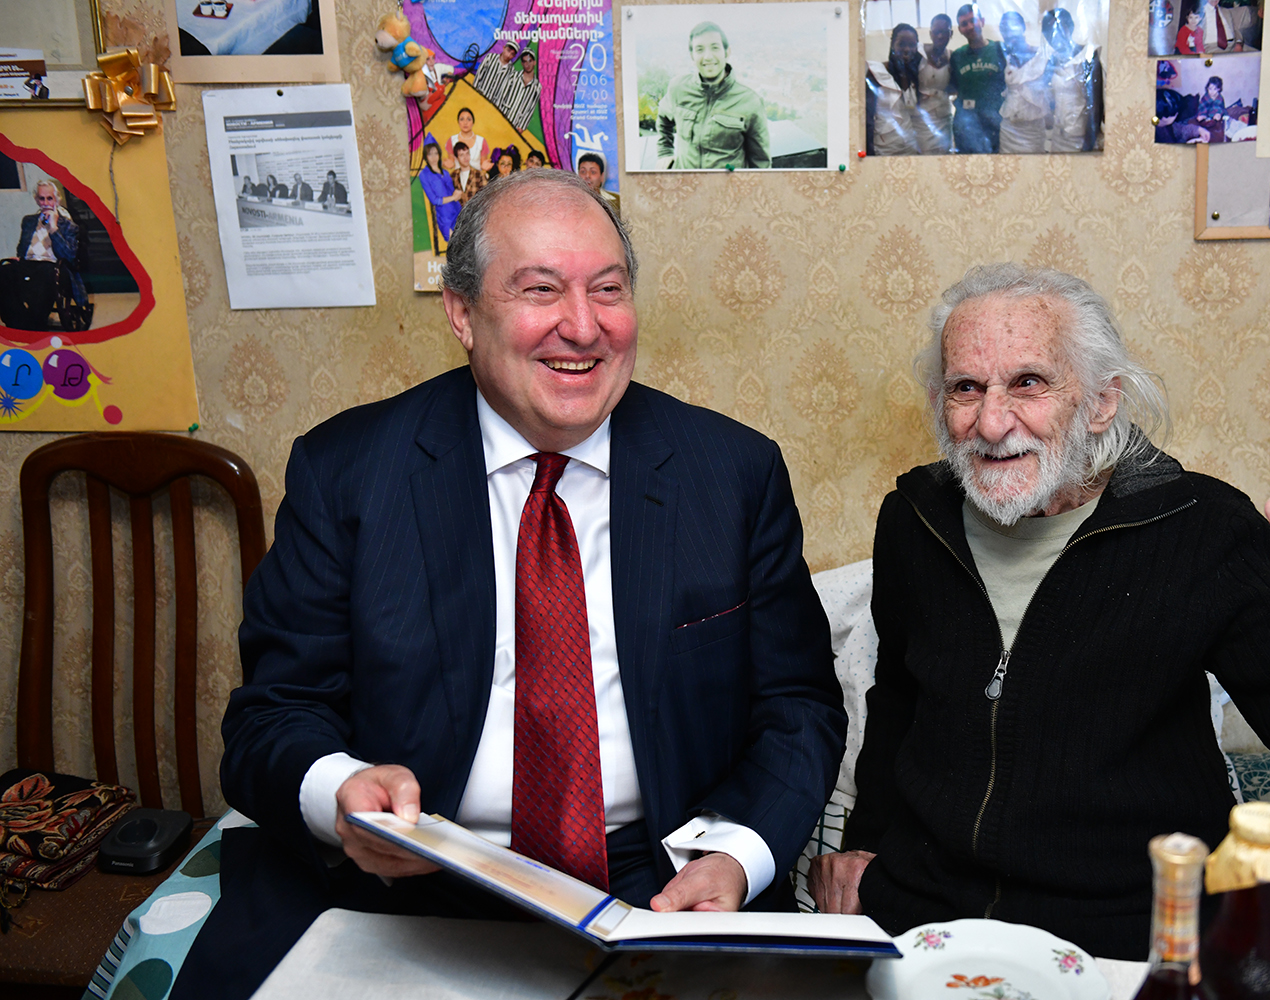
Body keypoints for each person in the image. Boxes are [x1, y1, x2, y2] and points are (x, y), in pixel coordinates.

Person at [177, 169, 846, 998]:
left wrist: (737, 856)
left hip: (659, 882)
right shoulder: (347, 473)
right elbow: (273, 716)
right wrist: (340, 792)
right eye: (540, 290)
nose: (583, 326)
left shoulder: (732, 473)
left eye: (609, 289)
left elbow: (798, 707)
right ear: (462, 313)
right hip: (411, 879)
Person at [809, 263, 1270, 960]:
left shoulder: (1205, 531)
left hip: (1132, 936)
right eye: (965, 388)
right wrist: (863, 843)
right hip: (927, 919)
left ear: (1101, 402)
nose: (991, 423)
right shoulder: (914, 519)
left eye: (1028, 383)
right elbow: (899, 702)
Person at [656, 22, 771, 169]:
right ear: (692, 55)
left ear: (727, 52)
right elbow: (664, 119)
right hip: (684, 181)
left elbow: (761, 164)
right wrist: (665, 152)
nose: (708, 57)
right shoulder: (678, 88)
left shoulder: (750, 101)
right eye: (700, 49)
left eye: (715, 48)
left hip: (726, 184)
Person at [13, 179, 86, 310]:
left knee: (45, 273)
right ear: (36, 200)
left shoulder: (68, 225)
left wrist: (53, 228)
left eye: (50, 198)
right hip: (29, 264)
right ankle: (17, 318)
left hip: (55, 267)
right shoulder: (28, 221)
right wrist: (19, 257)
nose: (45, 203)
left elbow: (69, 257)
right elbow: (21, 247)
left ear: (57, 200)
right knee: (5, 272)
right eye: (42, 199)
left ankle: (36, 318)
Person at [1041, 9, 1103, 153]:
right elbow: (1046, 94)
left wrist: (1088, 145)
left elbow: (1095, 106)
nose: (1052, 37)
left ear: (1069, 27)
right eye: (1048, 33)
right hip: (1058, 135)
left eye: (1056, 30)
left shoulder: (1088, 57)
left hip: (1080, 139)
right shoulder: (1053, 60)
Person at [950, 4, 1005, 154]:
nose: (969, 26)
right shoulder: (957, 56)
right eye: (964, 24)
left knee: (996, 166)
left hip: (995, 124)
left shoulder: (999, 50)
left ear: (982, 21)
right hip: (966, 126)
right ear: (960, 29)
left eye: (973, 20)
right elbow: (953, 86)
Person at [866, 24, 924, 157]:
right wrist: (869, 155)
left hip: (911, 151)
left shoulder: (916, 76)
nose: (907, 49)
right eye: (901, 44)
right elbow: (867, 119)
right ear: (892, 45)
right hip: (884, 152)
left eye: (912, 45)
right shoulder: (877, 73)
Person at [998, 12, 1047, 154]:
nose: (1009, 32)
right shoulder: (1004, 59)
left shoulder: (1042, 57)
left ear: (1023, 27)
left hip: (1033, 130)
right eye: (1004, 28)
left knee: (1033, 165)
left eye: (1013, 26)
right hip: (1009, 129)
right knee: (1007, 166)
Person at [916, 14, 955, 154]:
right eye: (936, 32)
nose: (940, 36)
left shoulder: (953, 57)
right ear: (930, 33)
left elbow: (955, 86)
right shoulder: (919, 54)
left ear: (951, 34)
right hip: (921, 120)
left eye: (944, 32)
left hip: (944, 118)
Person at [418, 141, 463, 241]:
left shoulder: (445, 172)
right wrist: (453, 197)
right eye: (430, 154)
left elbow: (453, 191)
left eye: (436, 153)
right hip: (444, 216)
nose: (433, 157)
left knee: (464, 245)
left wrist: (457, 194)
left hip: (457, 210)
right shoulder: (424, 174)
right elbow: (434, 200)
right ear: (425, 157)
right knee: (453, 244)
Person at [494, 48, 542, 133]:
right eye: (524, 61)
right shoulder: (513, 76)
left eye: (530, 61)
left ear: (534, 62)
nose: (527, 64)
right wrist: (496, 114)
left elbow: (531, 108)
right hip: (502, 117)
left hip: (516, 126)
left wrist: (522, 126)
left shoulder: (537, 87)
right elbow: (501, 95)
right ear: (522, 63)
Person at [472, 39, 520, 108]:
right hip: (479, 97)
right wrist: (474, 93)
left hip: (493, 105)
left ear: (514, 56)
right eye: (508, 50)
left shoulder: (511, 71)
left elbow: (506, 92)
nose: (508, 55)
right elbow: (478, 76)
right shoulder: (490, 58)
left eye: (512, 54)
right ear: (504, 48)